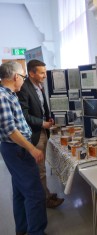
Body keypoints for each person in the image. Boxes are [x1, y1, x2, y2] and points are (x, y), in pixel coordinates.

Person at [0, 61, 47, 235]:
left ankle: (23, 229)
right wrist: (32, 149)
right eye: (24, 76)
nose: (24, 80)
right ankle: (36, 232)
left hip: (17, 150)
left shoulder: (11, 95)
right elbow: (10, 130)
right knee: (35, 194)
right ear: (15, 77)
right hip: (17, 150)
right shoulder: (3, 97)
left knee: (20, 192)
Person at [17, 59, 64, 208]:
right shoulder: (24, 88)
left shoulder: (39, 85)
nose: (45, 75)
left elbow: (41, 107)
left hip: (43, 131)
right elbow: (24, 115)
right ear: (31, 73)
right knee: (40, 169)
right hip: (35, 134)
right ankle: (44, 199)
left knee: (41, 167)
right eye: (42, 72)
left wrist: (48, 118)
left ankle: (46, 194)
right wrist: (41, 123)